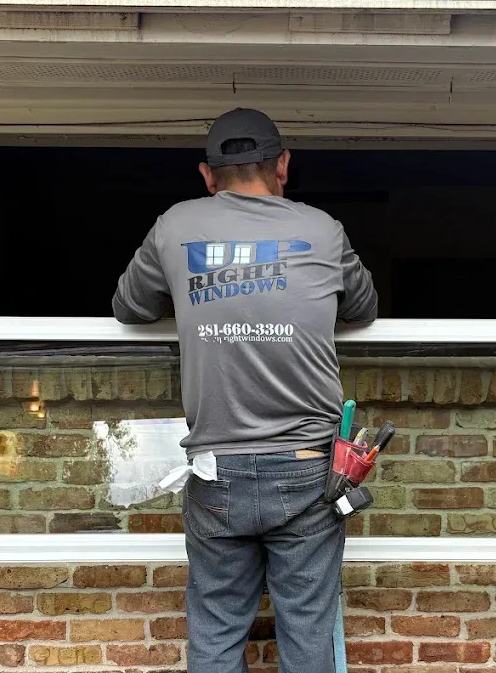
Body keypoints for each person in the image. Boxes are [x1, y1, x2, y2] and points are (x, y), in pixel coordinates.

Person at [112, 108, 378, 673]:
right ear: (283, 164)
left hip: (216, 470)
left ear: (208, 175)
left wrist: (196, 293)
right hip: (308, 467)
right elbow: (363, 308)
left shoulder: (176, 226)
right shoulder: (323, 229)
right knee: (308, 636)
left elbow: (129, 307)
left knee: (215, 633)